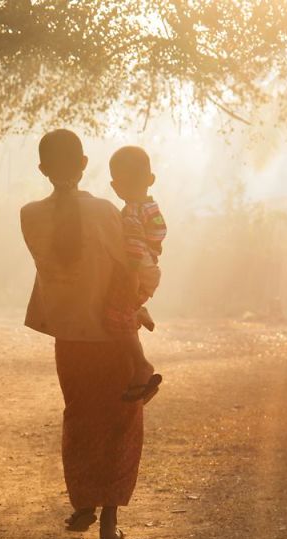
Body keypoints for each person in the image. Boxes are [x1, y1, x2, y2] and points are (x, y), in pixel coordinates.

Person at [20, 129, 158, 539]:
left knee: (79, 418)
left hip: (70, 339)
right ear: (84, 164)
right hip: (112, 337)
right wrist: (141, 301)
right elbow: (129, 269)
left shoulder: (29, 214)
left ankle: (83, 502)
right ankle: (108, 522)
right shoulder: (105, 212)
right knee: (120, 422)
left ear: (42, 170)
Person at [104, 146, 166, 403]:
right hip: (150, 265)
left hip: (138, 268)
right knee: (125, 306)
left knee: (114, 313)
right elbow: (159, 235)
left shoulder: (130, 212)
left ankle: (141, 365)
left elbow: (133, 246)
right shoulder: (151, 206)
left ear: (115, 186)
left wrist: (131, 273)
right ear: (150, 180)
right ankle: (137, 309)